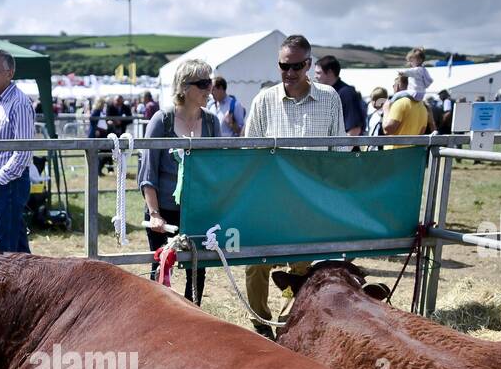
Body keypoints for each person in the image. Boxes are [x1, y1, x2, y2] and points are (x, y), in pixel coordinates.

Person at [242, 34, 343, 338]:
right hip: (270, 197)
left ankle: (292, 322)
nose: (289, 72)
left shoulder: (329, 98)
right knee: (255, 264)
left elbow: (337, 151)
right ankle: (261, 325)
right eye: (284, 65)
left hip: (309, 200)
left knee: (301, 265)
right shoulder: (264, 100)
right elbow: (250, 150)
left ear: (309, 64)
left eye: (296, 66)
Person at [138, 58, 220, 305]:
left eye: (211, 83)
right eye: (203, 83)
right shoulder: (161, 122)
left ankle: (192, 321)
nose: (209, 89)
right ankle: (159, 319)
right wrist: (155, 214)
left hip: (196, 212)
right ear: (185, 87)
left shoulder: (211, 122)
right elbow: (147, 173)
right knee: (162, 269)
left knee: (197, 271)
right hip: (163, 212)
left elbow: (215, 170)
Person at [0, 49, 35, 254]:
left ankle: (7, 286)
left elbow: (24, 150)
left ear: (9, 74)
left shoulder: (18, 102)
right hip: (0, 179)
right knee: (16, 247)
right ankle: (33, 285)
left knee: (3, 249)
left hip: (8, 180)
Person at [313, 56, 365, 136]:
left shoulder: (346, 93)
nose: (315, 76)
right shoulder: (323, 93)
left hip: (342, 146)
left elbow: (354, 130)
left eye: (318, 73)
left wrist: (342, 148)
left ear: (330, 72)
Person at [381, 73, 430, 146]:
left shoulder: (399, 103)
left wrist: (386, 110)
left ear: (397, 86)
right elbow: (421, 132)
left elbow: (388, 130)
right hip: (412, 153)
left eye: (393, 86)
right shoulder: (423, 107)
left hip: (394, 153)